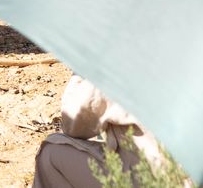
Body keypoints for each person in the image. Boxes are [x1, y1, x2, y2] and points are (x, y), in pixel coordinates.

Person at [33, 75, 165, 187]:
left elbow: (74, 124)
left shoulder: (111, 62)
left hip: (149, 176)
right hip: (179, 172)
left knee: (51, 153)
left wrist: (80, 72)